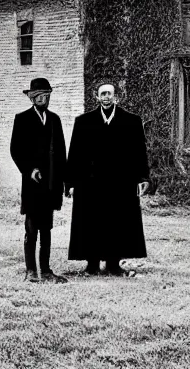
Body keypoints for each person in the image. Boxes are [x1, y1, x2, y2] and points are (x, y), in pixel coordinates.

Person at [66, 83, 150, 276]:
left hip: (120, 183)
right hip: (90, 183)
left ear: (116, 97)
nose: (106, 97)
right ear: (97, 97)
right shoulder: (84, 122)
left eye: (109, 94)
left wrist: (143, 177)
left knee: (118, 221)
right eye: (102, 94)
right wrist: (70, 183)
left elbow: (139, 153)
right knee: (90, 222)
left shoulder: (131, 121)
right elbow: (75, 155)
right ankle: (92, 265)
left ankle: (113, 264)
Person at [10, 77, 68, 283]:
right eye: (39, 96)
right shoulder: (22, 119)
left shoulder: (55, 120)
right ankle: (31, 271)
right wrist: (29, 170)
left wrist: (66, 182)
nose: (43, 98)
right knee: (32, 228)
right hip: (33, 184)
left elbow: (61, 154)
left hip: (51, 184)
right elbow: (15, 150)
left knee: (47, 229)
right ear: (32, 99)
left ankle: (46, 270)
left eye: (46, 95)